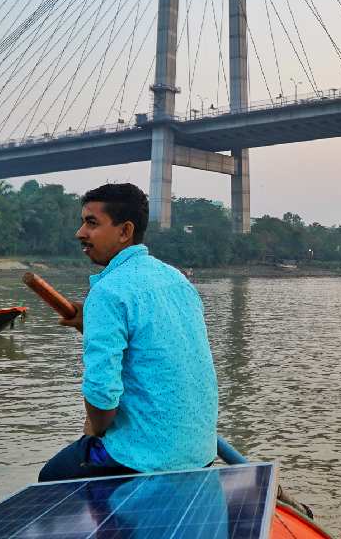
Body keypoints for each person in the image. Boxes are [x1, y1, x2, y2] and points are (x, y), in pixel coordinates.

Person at [38, 183, 218, 482]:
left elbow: (102, 397)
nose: (80, 233)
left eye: (91, 223)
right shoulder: (176, 279)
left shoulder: (108, 293)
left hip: (144, 459)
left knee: (51, 477)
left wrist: (93, 430)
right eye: (83, 222)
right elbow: (159, 343)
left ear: (125, 231)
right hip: (200, 451)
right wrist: (92, 321)